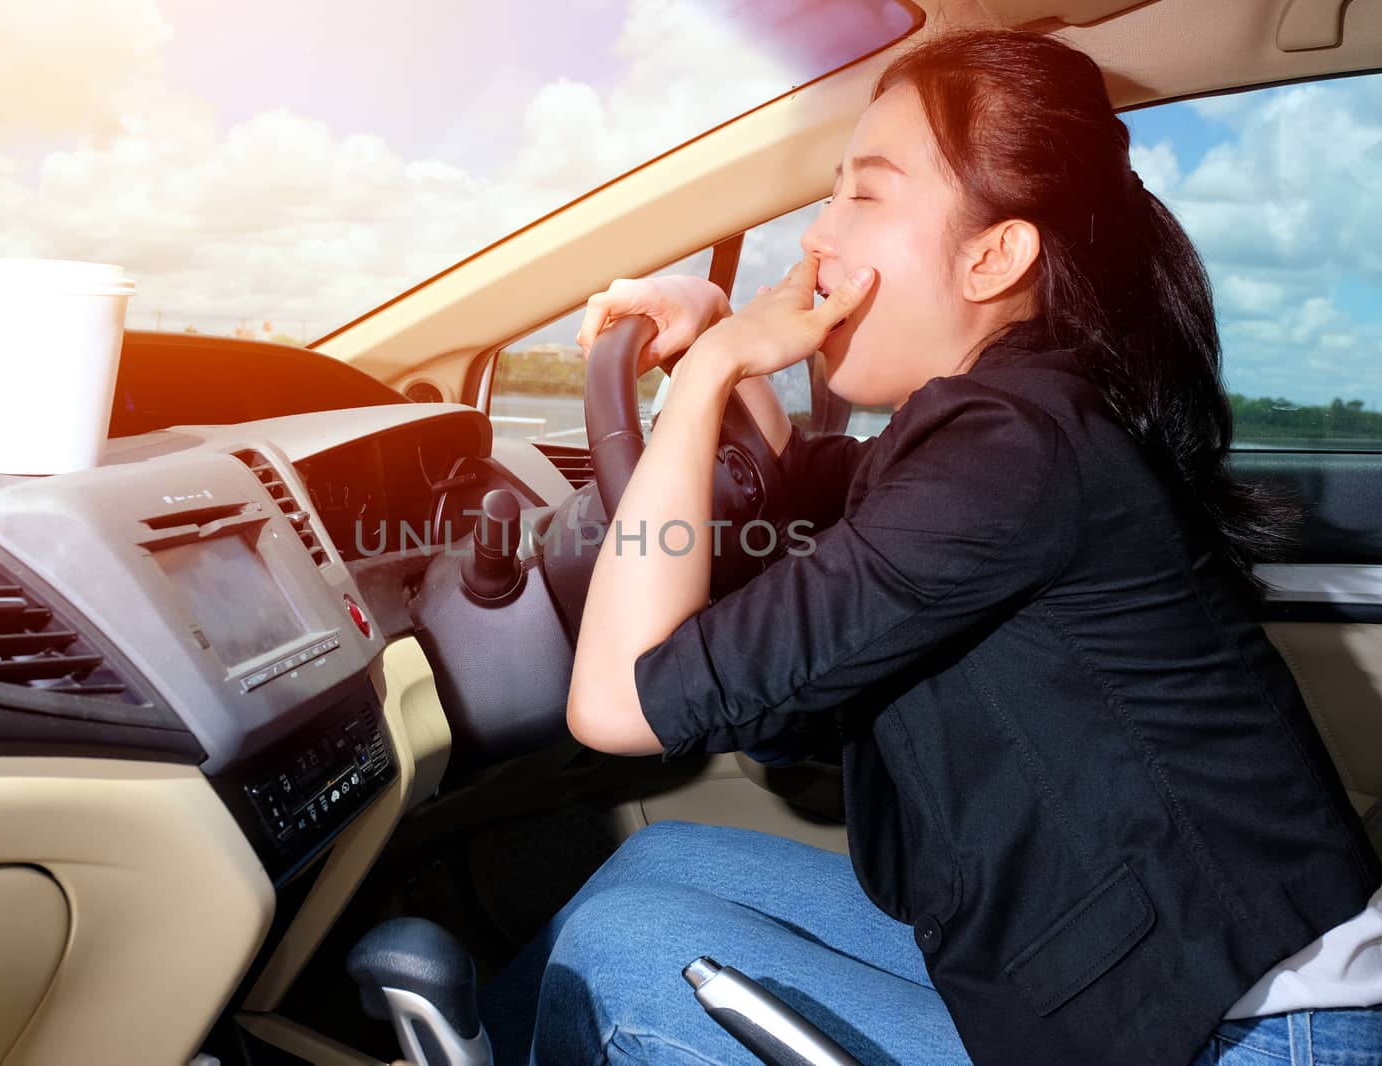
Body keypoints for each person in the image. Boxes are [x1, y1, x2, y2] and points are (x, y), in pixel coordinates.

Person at [473, 27, 1382, 1066]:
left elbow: (617, 705)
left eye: (864, 194)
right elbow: (789, 486)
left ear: (992, 254)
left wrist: (710, 372)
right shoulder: (1004, 423)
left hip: (1240, 1028)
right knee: (658, 863)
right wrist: (719, 322)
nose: (818, 237)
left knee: (620, 955)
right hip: (1145, 960)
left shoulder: (1009, 448)